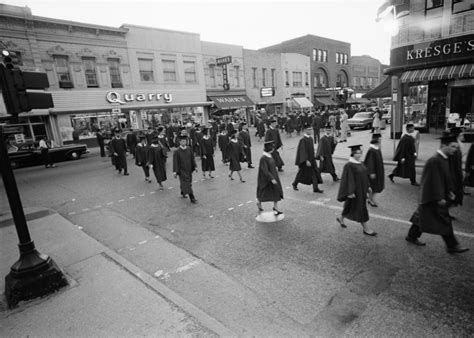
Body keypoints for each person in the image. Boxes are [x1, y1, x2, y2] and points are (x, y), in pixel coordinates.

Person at [405, 134, 469, 253]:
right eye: (453, 146)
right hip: (433, 198)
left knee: (423, 218)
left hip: (434, 197)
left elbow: (445, 178)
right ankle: (452, 245)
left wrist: (449, 191)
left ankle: (412, 236)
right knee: (444, 221)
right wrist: (439, 197)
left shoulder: (444, 158)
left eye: (456, 147)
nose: (455, 149)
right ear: (444, 145)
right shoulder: (435, 160)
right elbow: (432, 181)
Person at [336, 144, 377, 236]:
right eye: (357, 153)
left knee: (349, 205)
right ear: (353, 154)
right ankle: (366, 229)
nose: (359, 155)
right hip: (355, 191)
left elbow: (364, 176)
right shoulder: (349, 165)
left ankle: (341, 218)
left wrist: (368, 186)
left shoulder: (360, 163)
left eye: (360, 153)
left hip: (362, 189)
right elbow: (347, 179)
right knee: (361, 208)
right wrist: (350, 192)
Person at [256, 141, 284, 215]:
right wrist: (271, 178)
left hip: (274, 176)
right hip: (266, 179)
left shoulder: (270, 155)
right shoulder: (263, 158)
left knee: (276, 191)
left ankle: (275, 207)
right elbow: (265, 170)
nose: (273, 149)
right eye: (272, 148)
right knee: (264, 192)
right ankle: (259, 202)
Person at [173, 135, 198, 203]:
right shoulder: (177, 151)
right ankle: (192, 198)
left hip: (189, 169)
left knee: (188, 183)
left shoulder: (189, 149)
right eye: (183, 141)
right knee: (187, 184)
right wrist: (175, 172)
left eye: (185, 141)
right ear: (180, 142)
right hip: (182, 171)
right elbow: (175, 162)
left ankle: (182, 192)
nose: (184, 142)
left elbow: (192, 159)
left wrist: (195, 166)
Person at [363, 133, 385, 207]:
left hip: (377, 171)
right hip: (374, 172)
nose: (380, 141)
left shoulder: (376, 148)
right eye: (379, 139)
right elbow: (370, 162)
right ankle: (370, 199)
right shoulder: (372, 150)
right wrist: (371, 172)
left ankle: (370, 198)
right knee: (373, 187)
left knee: (375, 187)